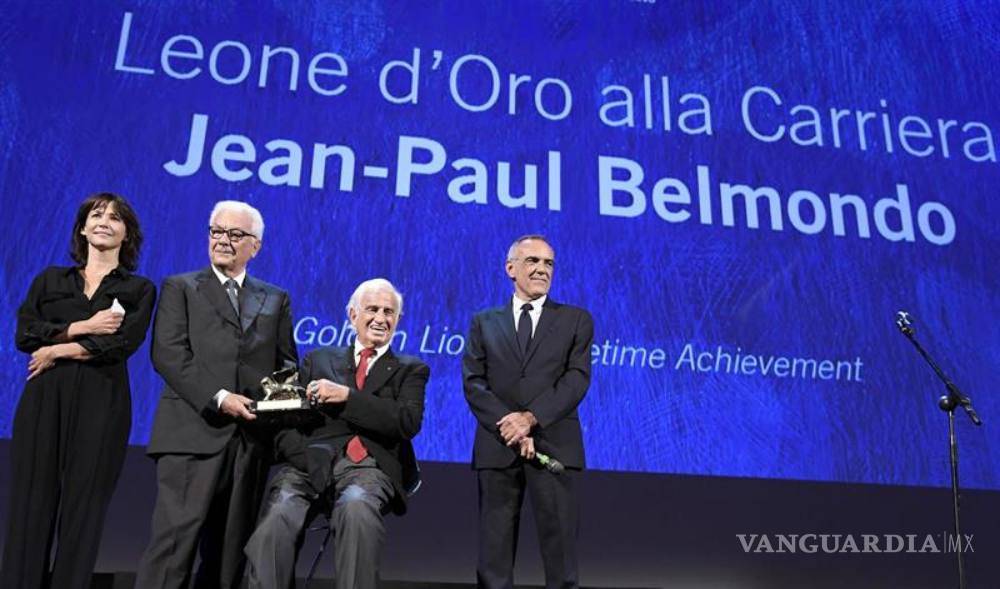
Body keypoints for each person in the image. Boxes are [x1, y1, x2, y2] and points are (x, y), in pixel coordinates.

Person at [135, 200, 297, 589]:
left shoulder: (275, 298)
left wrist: (281, 402)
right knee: (173, 548)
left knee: (228, 556)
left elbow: (286, 366)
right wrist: (221, 397)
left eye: (235, 234)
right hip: (192, 432)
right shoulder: (181, 287)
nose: (223, 240)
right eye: (217, 232)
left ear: (255, 246)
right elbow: (169, 356)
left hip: (249, 442)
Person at [1, 193, 156, 589]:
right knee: (29, 511)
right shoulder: (51, 279)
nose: (104, 221)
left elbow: (121, 344)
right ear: (83, 228)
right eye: (96, 214)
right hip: (44, 400)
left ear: (127, 234)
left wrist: (56, 348)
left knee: (83, 514)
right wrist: (81, 328)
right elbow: (24, 333)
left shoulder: (138, 289)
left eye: (115, 217)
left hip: (102, 402)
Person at [244, 278, 428, 589]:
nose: (381, 319)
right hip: (309, 464)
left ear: (398, 320)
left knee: (356, 508)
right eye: (372, 309)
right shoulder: (319, 359)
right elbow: (288, 418)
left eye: (389, 312)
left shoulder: (410, 369)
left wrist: (347, 397)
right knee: (277, 520)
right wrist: (302, 456)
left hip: (369, 468)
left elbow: (406, 421)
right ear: (353, 315)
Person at [463, 234, 593, 589]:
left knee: (561, 559)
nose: (541, 269)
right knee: (493, 562)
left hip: (554, 446)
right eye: (533, 261)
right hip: (497, 447)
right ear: (510, 268)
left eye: (548, 263)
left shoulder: (576, 320)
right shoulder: (484, 322)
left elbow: (576, 380)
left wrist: (530, 419)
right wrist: (509, 426)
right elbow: (474, 382)